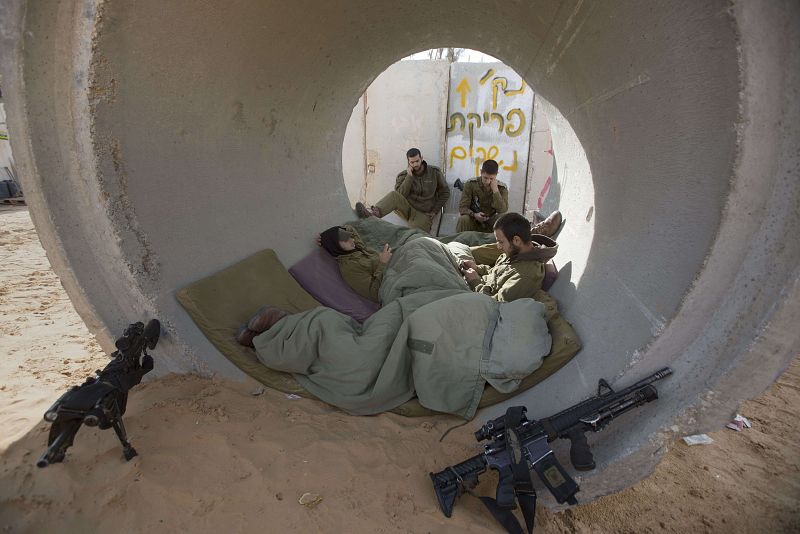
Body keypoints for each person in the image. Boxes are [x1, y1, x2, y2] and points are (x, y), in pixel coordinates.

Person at [460, 212, 557, 302]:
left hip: (480, 298)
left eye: (501, 242)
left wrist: (475, 282)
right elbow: (494, 273)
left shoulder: (525, 276)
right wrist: (477, 268)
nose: (498, 246)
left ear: (516, 240)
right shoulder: (514, 253)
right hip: (479, 286)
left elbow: (495, 304)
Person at [355, 148, 450, 233]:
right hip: (407, 209)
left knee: (415, 237)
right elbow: (400, 195)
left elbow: (445, 192)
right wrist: (409, 177)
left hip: (423, 214)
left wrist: (435, 211)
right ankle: (373, 216)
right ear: (408, 162)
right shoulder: (403, 175)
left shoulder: (434, 172)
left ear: (421, 158)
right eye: (412, 162)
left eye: (417, 161)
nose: (415, 164)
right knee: (394, 195)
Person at [456, 159, 509, 232]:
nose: (488, 181)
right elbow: (462, 207)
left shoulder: (501, 188)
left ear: (496, 175)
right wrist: (474, 214)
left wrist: (495, 190)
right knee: (463, 219)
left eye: (491, 178)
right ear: (481, 172)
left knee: (504, 219)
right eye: (485, 178)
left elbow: (502, 210)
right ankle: (459, 242)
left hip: (491, 222)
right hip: (474, 220)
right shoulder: (471, 184)